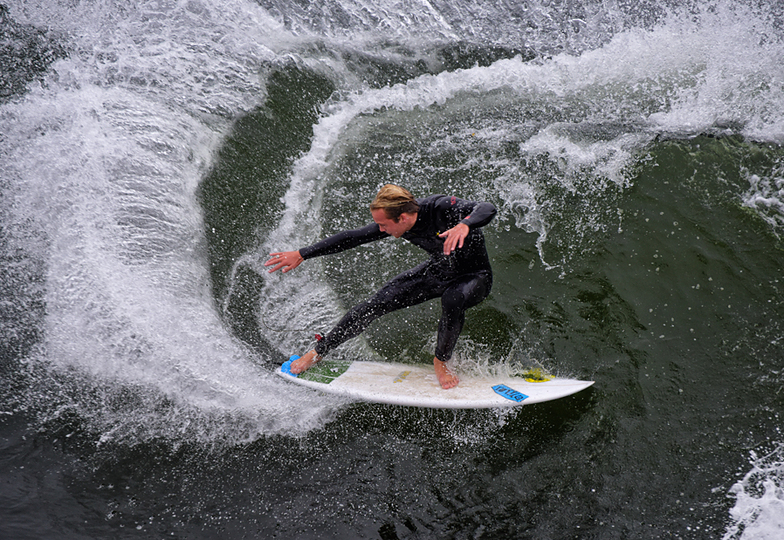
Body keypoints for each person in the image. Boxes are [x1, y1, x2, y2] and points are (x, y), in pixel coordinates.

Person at [264, 184, 496, 389]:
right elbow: (351, 237)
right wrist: (302, 254)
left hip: (475, 277)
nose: (380, 230)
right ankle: (317, 352)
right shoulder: (397, 222)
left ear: (402, 217)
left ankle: (440, 361)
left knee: (453, 299)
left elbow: (487, 207)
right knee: (374, 304)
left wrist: (465, 225)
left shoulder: (441, 207)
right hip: (439, 271)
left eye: (383, 225)